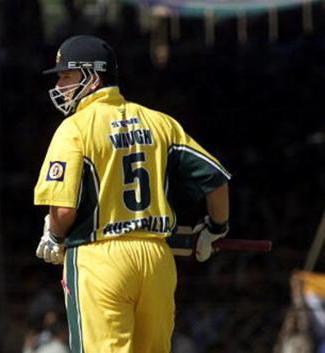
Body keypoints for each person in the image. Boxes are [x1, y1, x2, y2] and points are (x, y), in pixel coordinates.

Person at [33, 35, 230, 353]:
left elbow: (63, 209)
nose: (60, 85)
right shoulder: (160, 123)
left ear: (92, 77)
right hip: (156, 259)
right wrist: (216, 228)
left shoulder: (75, 128)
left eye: (66, 76)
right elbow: (216, 180)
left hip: (99, 259)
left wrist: (54, 238)